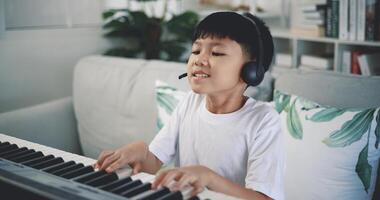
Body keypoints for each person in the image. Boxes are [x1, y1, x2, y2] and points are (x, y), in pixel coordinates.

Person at [95, 11, 284, 200]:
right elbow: (152, 165)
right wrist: (142, 152)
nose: (199, 60)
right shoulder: (189, 102)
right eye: (195, 50)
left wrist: (209, 178)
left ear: (252, 70)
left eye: (217, 52)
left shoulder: (264, 120)